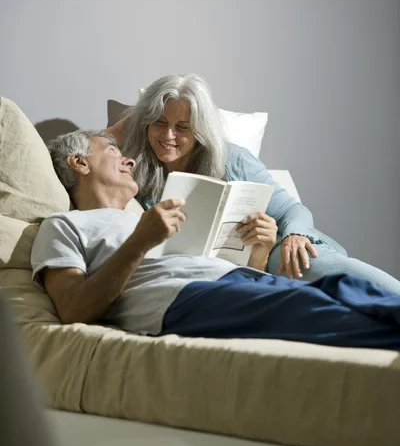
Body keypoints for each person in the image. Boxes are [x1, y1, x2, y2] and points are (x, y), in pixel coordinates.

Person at [30, 130, 400, 351]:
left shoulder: (144, 216)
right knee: (321, 313)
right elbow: (73, 310)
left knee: (345, 286)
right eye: (111, 151)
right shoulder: (63, 225)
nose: (128, 160)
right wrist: (139, 243)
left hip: (237, 280)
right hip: (184, 297)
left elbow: (230, 269)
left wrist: (258, 250)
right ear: (79, 163)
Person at [108, 74, 400, 295]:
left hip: (279, 256)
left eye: (182, 127)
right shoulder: (133, 171)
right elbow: (80, 149)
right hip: (215, 276)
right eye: (159, 122)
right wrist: (123, 126)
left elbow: (293, 211)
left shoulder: (232, 159)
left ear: (199, 131)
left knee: (345, 282)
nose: (168, 135)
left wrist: (294, 236)